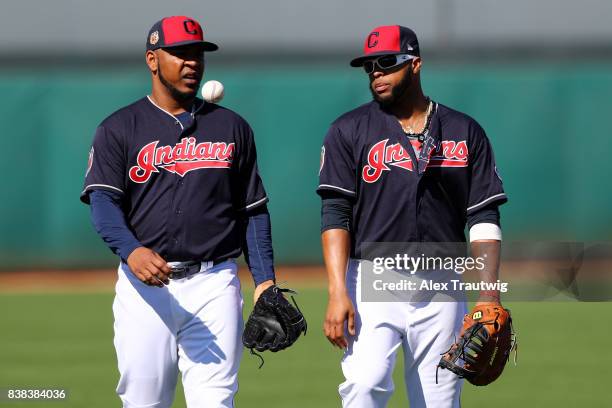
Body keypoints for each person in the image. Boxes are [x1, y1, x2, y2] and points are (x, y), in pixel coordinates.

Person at [80, 15, 275, 408]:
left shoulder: (232, 127)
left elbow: (253, 210)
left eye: (198, 54)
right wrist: (131, 250)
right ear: (153, 60)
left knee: (215, 401)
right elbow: (103, 203)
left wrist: (265, 281)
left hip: (215, 282)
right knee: (144, 400)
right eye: (181, 54)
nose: (193, 63)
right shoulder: (119, 128)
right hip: (145, 289)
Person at [318, 25, 508, 407]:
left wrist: (489, 293)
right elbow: (335, 212)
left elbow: (483, 214)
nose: (376, 72)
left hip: (442, 280)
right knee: (364, 386)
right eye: (369, 66)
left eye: (387, 63)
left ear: (416, 64)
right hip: (372, 278)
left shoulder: (463, 130)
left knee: (438, 399)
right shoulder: (349, 129)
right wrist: (337, 290)